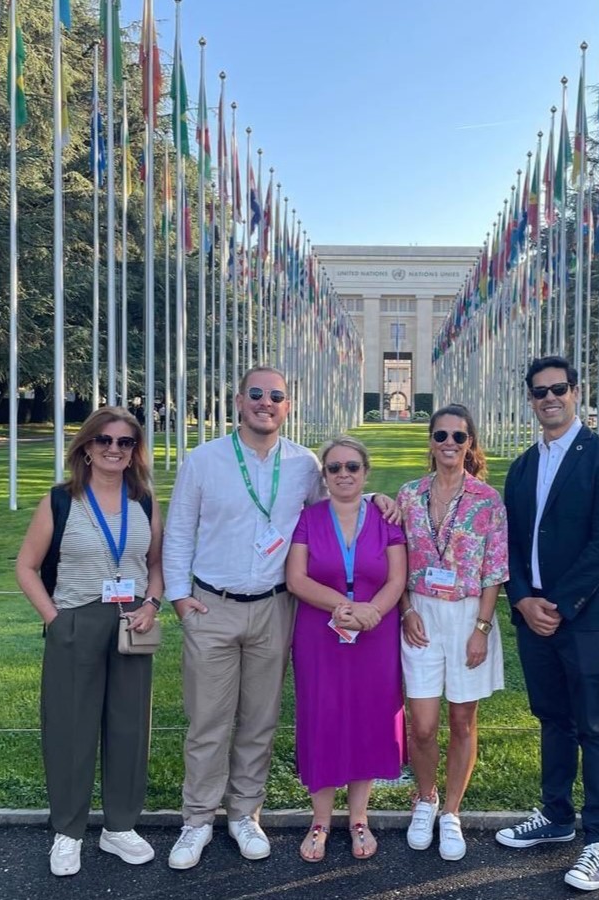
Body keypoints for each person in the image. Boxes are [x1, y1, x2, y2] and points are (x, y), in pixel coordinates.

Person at [162, 366, 397, 870]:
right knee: (208, 721)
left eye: (276, 396)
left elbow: (333, 514)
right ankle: (198, 820)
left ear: (287, 405)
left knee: (259, 720)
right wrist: (180, 599)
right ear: (238, 400)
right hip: (213, 604)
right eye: (255, 394)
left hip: (275, 607)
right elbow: (179, 530)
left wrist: (378, 501)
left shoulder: (304, 465)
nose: (265, 402)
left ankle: (245, 814)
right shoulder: (204, 460)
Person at [495, 356, 599, 893]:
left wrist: (555, 604)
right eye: (539, 392)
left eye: (557, 389)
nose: (548, 398)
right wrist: (524, 600)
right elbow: (508, 543)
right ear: (530, 400)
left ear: (576, 392)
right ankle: (556, 817)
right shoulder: (525, 465)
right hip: (533, 615)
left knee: (594, 727)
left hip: (587, 619)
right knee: (551, 719)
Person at [15, 406, 165, 877]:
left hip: (131, 625)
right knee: (70, 729)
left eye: (124, 442)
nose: (114, 449)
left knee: (128, 729)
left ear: (134, 450)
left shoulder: (144, 501)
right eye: (104, 440)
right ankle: (68, 830)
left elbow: (157, 564)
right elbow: (25, 566)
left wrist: (153, 604)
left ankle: (120, 826)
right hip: (76, 621)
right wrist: (55, 620)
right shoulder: (61, 501)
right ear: (86, 446)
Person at [285, 436, 407, 862]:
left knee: (368, 720)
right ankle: (319, 820)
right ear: (325, 475)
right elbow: (297, 579)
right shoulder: (308, 518)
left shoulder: (386, 517)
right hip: (321, 634)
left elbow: (397, 577)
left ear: (365, 472)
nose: (343, 475)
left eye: (352, 467)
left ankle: (359, 818)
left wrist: (372, 611)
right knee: (323, 717)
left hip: (375, 634)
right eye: (334, 468)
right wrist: (342, 606)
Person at [397, 404, 508, 862]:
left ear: (470, 444)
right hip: (421, 614)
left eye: (458, 437)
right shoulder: (407, 495)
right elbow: (394, 559)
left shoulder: (487, 500)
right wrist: (404, 610)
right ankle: (424, 798)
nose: (448, 443)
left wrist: (481, 628)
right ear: (430, 441)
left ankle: (452, 811)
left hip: (468, 616)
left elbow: (494, 571)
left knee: (463, 721)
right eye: (440, 435)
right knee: (422, 725)